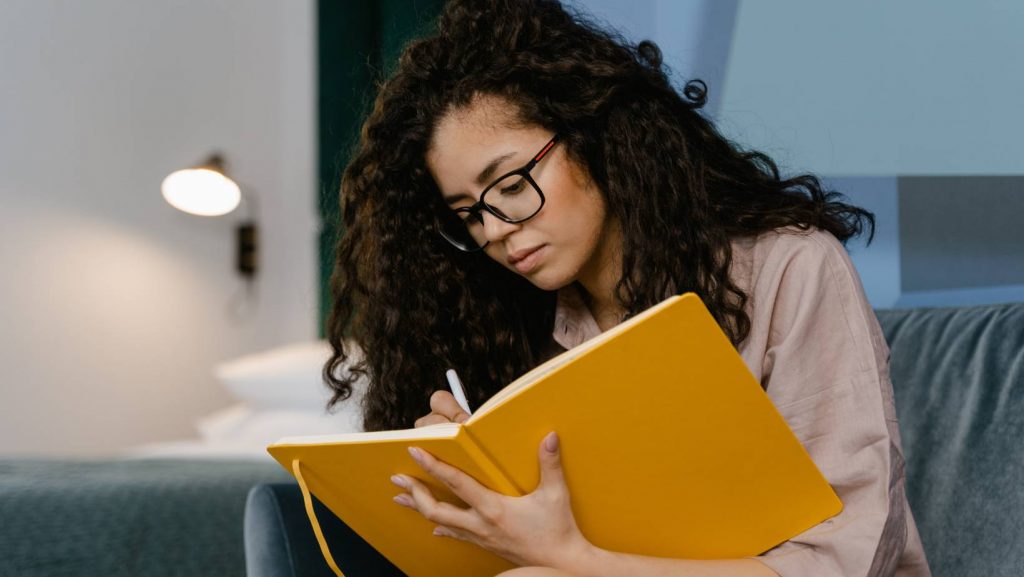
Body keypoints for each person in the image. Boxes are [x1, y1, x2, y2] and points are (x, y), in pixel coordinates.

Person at [322, 0, 931, 575]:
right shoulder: (510, 322)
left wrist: (573, 558)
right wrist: (462, 487)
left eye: (509, 186)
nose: (498, 232)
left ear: (594, 136)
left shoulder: (789, 269)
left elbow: (851, 558)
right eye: (468, 215)